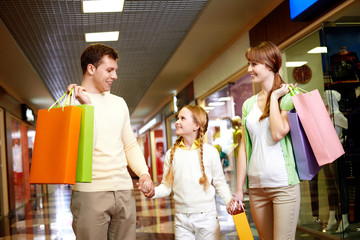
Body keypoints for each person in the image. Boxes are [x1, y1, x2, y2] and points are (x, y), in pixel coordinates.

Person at [67, 43, 154, 240]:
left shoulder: (119, 103)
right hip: (90, 193)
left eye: (115, 70)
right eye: (109, 70)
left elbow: (129, 144)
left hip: (124, 190)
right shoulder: (71, 102)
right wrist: (87, 107)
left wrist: (144, 173)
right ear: (91, 68)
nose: (114, 76)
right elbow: (84, 147)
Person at [233, 41, 300, 239]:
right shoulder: (248, 104)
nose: (249, 69)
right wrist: (239, 190)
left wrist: (274, 98)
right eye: (249, 64)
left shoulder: (287, 97)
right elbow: (244, 148)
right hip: (256, 188)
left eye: (254, 64)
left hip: (283, 185)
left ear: (271, 63)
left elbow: (279, 133)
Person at [139, 105, 234, 240]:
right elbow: (166, 186)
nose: (177, 121)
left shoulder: (210, 152)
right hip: (181, 220)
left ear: (196, 125)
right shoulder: (171, 154)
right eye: (178, 118)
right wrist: (153, 191)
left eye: (183, 118)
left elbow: (219, 182)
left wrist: (229, 201)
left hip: (207, 218)